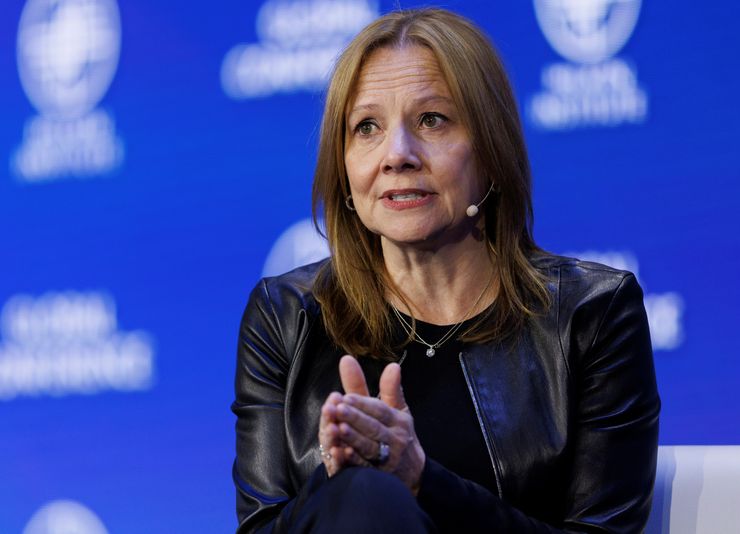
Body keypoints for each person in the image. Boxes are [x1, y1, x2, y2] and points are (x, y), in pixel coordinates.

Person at [233, 7, 660, 533]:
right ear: (343, 167)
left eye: (432, 120)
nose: (397, 155)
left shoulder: (592, 314)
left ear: (491, 147)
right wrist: (341, 485)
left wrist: (419, 479)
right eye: (366, 127)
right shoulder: (288, 317)